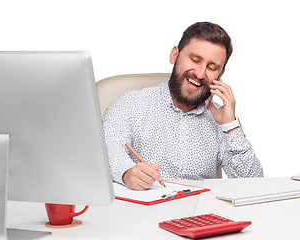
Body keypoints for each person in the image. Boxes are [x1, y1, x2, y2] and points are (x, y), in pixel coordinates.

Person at [103, 22, 263, 190]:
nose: (200, 74)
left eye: (212, 67)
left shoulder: (222, 119)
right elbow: (108, 150)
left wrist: (231, 127)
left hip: (200, 212)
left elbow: (254, 184)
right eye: (195, 60)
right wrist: (127, 173)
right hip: (145, 211)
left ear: (220, 74)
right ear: (175, 55)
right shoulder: (129, 105)